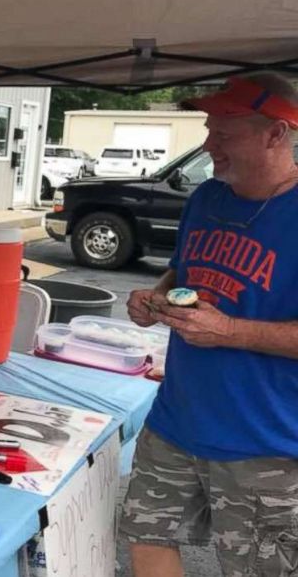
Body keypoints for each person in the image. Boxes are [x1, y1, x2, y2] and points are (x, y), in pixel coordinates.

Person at [119, 73, 298, 577]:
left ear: (276, 134)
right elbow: (184, 271)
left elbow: (231, 326)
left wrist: (230, 331)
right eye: (208, 129)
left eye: (224, 133)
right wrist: (156, 297)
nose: (208, 145)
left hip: (264, 442)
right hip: (176, 421)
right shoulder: (206, 199)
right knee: (146, 539)